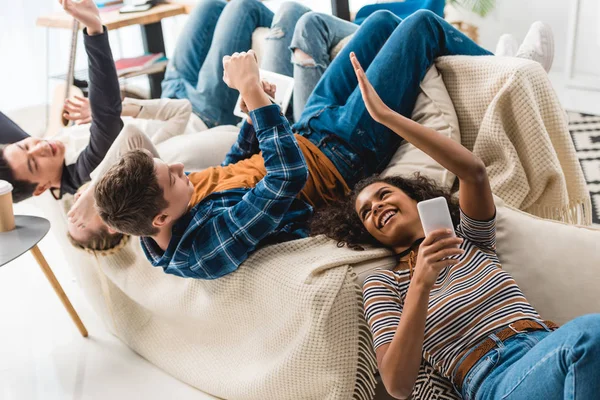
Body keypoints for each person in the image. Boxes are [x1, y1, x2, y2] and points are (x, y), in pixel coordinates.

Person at [92, 9, 497, 279]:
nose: (180, 169)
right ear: (159, 219)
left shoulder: (165, 211)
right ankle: (507, 67)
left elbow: (235, 167)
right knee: (421, 24)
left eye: (170, 167)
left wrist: (254, 116)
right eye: (172, 177)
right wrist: (250, 90)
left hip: (306, 128)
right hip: (343, 153)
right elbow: (286, 177)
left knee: (381, 21)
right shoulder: (204, 247)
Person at [310, 50, 600, 399]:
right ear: (367, 233)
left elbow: (473, 172)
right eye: (366, 213)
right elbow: (397, 385)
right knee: (590, 333)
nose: (377, 208)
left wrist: (387, 117)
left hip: (550, 351)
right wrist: (421, 282)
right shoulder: (385, 284)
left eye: (384, 194)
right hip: (495, 378)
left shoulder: (470, 240)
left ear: (414, 197)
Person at [0, 0, 123, 203]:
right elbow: (107, 118)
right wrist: (94, 30)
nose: (40, 147)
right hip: (186, 109)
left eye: (24, 145)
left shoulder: (51, 152)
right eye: (34, 164)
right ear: (41, 188)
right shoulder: (84, 173)